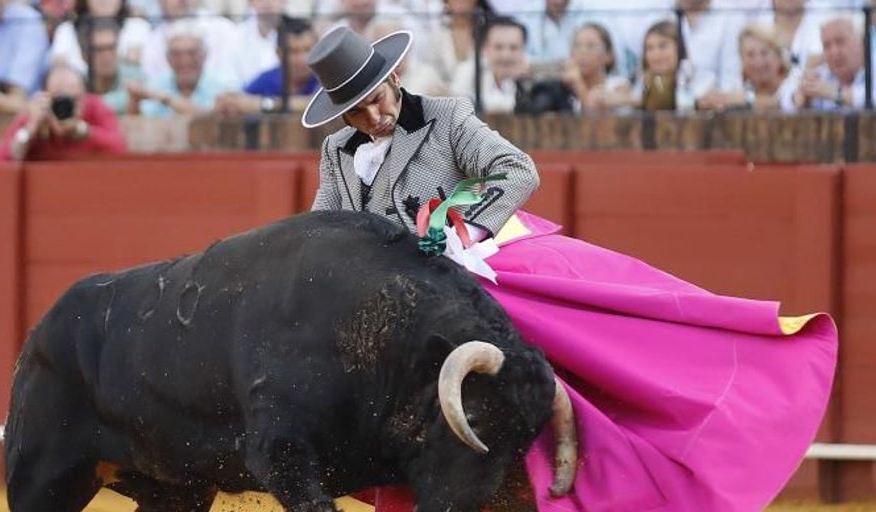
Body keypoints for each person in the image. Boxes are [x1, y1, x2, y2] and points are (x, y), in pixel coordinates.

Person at [299, 25, 836, 512]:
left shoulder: (445, 115)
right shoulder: (337, 150)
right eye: (356, 113)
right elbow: (324, 230)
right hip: (392, 295)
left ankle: (591, 463)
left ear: (394, 76)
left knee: (543, 340)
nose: (373, 118)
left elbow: (516, 171)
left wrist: (465, 233)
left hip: (469, 264)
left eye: (376, 101)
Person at [0, 62, 127, 162]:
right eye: (60, 100)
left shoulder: (95, 106)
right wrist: (30, 130)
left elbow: (120, 149)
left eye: (75, 99)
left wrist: (84, 131)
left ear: (84, 95)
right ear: (47, 98)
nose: (68, 107)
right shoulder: (37, 113)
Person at [213, 17, 320, 115]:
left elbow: (326, 106)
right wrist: (230, 102)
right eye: (293, 52)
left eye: (308, 50)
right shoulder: (266, 80)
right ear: (279, 54)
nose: (302, 59)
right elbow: (243, 102)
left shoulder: (327, 79)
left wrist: (265, 104)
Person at [697, 23, 796, 112]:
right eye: (750, 54)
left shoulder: (794, 82)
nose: (758, 62)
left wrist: (745, 101)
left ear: (779, 56)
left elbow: (784, 102)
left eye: (764, 53)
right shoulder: (739, 84)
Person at [785, 14, 869, 111]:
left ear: (862, 43)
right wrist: (799, 97)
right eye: (826, 45)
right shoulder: (820, 74)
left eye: (840, 41)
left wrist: (835, 94)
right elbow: (784, 99)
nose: (834, 52)